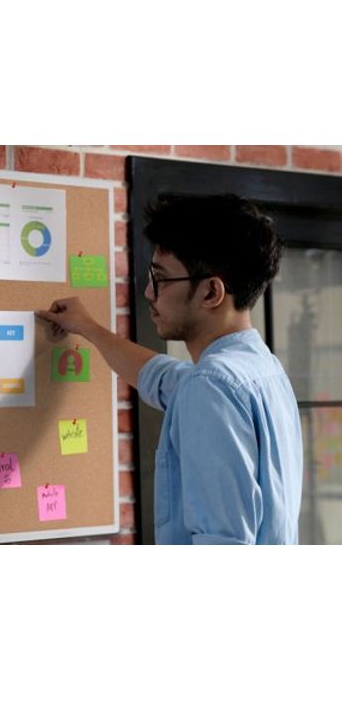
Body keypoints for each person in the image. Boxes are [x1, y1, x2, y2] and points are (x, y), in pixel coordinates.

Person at [36, 194, 303, 544]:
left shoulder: (212, 386)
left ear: (211, 292)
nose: (149, 292)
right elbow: (159, 378)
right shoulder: (261, 369)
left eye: (160, 279)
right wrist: (89, 328)